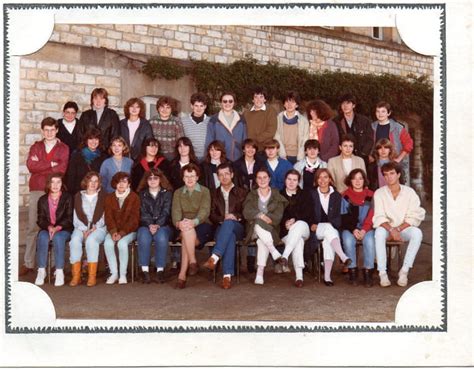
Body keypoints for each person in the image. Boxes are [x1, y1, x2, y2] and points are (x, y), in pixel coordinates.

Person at [21, 117, 69, 277]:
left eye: (52, 130)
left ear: (57, 130)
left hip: (55, 190)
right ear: (42, 131)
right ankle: (28, 263)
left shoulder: (63, 148)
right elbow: (30, 165)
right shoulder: (36, 146)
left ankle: (55, 265)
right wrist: (51, 164)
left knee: (55, 225)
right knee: (33, 226)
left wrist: (41, 165)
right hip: (37, 188)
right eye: (46, 130)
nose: (49, 133)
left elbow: (61, 170)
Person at [372, 161, 425, 287]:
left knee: (417, 233)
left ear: (398, 174)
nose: (389, 177)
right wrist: (391, 230)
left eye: (392, 173)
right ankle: (382, 273)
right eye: (386, 175)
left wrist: (398, 229)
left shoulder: (410, 192)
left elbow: (415, 215)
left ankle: (404, 271)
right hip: (387, 228)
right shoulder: (379, 193)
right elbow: (379, 216)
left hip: (403, 228)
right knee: (379, 232)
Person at [205, 163, 247, 289]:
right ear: (217, 177)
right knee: (230, 237)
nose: (224, 177)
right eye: (221, 175)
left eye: (227, 174)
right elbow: (211, 214)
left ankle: (214, 256)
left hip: (238, 226)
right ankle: (226, 276)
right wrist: (223, 218)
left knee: (230, 226)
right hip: (221, 227)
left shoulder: (242, 192)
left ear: (232, 175)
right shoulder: (213, 194)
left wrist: (235, 216)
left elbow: (246, 212)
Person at [242, 168, 288, 285]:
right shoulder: (252, 194)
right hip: (253, 229)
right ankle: (273, 251)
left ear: (269, 179)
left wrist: (265, 219)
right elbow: (246, 212)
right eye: (259, 177)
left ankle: (260, 273)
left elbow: (278, 215)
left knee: (261, 241)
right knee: (258, 221)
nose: (262, 180)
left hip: (271, 228)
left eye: (265, 177)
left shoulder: (276, 194)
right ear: (256, 180)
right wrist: (260, 216)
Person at [171, 163, 213, 289]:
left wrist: (193, 222)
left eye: (192, 176)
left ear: (197, 177)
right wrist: (178, 223)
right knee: (186, 231)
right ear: (183, 178)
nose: (189, 179)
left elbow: (205, 211)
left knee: (186, 235)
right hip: (183, 224)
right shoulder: (178, 193)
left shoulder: (205, 191)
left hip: (202, 224)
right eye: (186, 176)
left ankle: (182, 275)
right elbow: (176, 211)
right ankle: (192, 262)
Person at [308, 169, 352, 286]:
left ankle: (327, 276)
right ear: (316, 180)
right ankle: (342, 256)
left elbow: (339, 216)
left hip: (332, 229)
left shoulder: (336, 195)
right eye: (319, 177)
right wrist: (311, 223)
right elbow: (307, 212)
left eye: (325, 177)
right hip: (316, 228)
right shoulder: (311, 194)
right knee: (328, 230)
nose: (322, 180)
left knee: (328, 241)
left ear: (330, 179)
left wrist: (333, 223)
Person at [34, 173, 73, 286]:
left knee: (58, 237)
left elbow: (69, 218)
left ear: (62, 184)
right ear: (49, 184)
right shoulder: (42, 199)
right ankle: (41, 270)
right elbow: (40, 219)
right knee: (42, 236)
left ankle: (59, 271)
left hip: (64, 228)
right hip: (48, 228)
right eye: (53, 182)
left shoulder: (68, 198)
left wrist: (57, 227)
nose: (55, 185)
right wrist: (49, 227)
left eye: (58, 182)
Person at [68, 171, 107, 287]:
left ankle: (91, 276)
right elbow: (76, 216)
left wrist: (93, 229)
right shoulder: (78, 196)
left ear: (99, 183)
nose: (93, 184)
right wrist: (84, 229)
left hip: (99, 227)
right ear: (86, 182)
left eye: (96, 181)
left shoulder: (103, 196)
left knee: (91, 241)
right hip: (81, 227)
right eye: (91, 181)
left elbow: (105, 216)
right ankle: (76, 276)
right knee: (74, 241)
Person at [137, 169, 173, 284]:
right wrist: (150, 224)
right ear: (146, 180)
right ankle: (144, 271)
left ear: (160, 179)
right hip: (145, 225)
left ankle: (160, 270)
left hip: (163, 225)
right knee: (143, 237)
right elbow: (142, 212)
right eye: (150, 178)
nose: (153, 180)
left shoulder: (167, 193)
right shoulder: (141, 194)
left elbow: (167, 211)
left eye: (155, 178)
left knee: (161, 237)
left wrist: (158, 224)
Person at [340, 169, 376, 287]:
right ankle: (352, 272)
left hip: (367, 227)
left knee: (370, 241)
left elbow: (372, 215)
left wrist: (364, 230)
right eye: (354, 178)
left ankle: (368, 273)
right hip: (350, 228)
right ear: (350, 180)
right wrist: (354, 229)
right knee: (348, 240)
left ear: (364, 180)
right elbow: (344, 217)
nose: (357, 181)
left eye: (360, 178)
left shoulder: (371, 195)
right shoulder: (345, 195)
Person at [103, 172, 140, 284]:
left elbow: (134, 219)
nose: (121, 184)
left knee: (122, 244)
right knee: (108, 243)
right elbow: (108, 217)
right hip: (113, 230)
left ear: (128, 184)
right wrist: (114, 231)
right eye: (118, 182)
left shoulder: (134, 197)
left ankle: (123, 274)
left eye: (124, 182)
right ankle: (114, 273)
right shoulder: (109, 198)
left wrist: (122, 233)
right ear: (115, 184)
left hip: (129, 231)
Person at [279, 170, 313, 287]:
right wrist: (285, 223)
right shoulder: (279, 195)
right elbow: (277, 214)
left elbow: (309, 213)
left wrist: (295, 219)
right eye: (289, 179)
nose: (291, 182)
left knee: (298, 225)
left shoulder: (305, 195)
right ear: (285, 180)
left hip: (303, 228)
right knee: (297, 241)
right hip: (286, 232)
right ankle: (299, 277)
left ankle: (285, 255)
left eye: (294, 180)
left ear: (299, 182)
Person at [371, 101, 413, 184]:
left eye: (383, 111)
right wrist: (370, 156)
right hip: (378, 164)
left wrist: (399, 159)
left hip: (393, 163)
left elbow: (409, 144)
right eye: (378, 111)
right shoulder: (372, 126)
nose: (380, 114)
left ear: (389, 113)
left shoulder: (398, 127)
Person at [205, 92, 247, 162]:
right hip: (220, 159)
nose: (228, 103)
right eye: (225, 101)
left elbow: (245, 139)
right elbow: (209, 141)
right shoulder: (214, 120)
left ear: (234, 103)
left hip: (238, 158)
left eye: (230, 101)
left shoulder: (241, 119)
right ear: (221, 103)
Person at [333, 93, 373, 165]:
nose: (345, 106)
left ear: (353, 105)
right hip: (342, 158)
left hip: (361, 158)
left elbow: (370, 139)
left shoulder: (364, 121)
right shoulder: (336, 121)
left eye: (348, 103)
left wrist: (363, 153)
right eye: (343, 104)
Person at [66, 128, 108, 196]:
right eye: (90, 139)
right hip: (79, 192)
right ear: (86, 140)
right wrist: (72, 194)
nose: (93, 142)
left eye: (96, 139)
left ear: (99, 141)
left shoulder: (104, 157)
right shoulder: (77, 155)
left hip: (96, 193)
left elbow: (104, 178)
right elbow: (71, 177)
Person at [274, 91, 309, 164]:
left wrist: (300, 157)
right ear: (284, 104)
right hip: (282, 156)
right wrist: (282, 155)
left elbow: (305, 140)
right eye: (287, 101)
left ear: (296, 105)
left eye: (292, 102)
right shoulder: (278, 119)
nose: (289, 104)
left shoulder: (304, 121)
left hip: (298, 157)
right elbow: (277, 137)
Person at [242, 86, 278, 158]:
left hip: (264, 150)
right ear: (252, 99)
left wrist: (255, 140)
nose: (258, 100)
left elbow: (271, 130)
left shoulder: (270, 111)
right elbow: (243, 130)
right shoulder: (246, 113)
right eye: (256, 97)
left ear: (265, 99)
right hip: (249, 150)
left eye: (261, 97)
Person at [149, 95, 185, 160]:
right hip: (156, 155)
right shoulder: (151, 122)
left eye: (168, 107)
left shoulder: (176, 122)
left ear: (171, 109)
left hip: (172, 155)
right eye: (162, 107)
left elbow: (180, 141)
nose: (165, 110)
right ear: (158, 108)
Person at [118, 97, 153, 161]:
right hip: (123, 157)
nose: (134, 109)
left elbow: (149, 143)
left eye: (137, 107)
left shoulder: (146, 124)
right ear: (128, 108)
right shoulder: (121, 124)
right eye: (132, 106)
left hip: (140, 159)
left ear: (140, 109)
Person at [181, 92, 211, 161]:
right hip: (190, 157)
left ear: (205, 106)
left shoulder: (210, 121)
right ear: (192, 106)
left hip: (206, 158)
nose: (199, 108)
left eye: (201, 106)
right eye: (196, 105)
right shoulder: (183, 121)